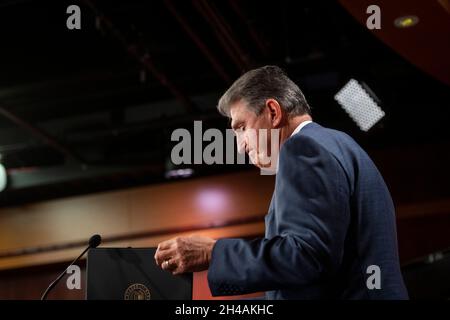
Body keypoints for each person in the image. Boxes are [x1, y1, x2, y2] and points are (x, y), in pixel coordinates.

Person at [154, 65, 408, 299]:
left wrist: (213, 253)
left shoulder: (303, 148)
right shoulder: (339, 143)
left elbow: (307, 256)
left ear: (273, 112)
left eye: (241, 127)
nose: (241, 147)